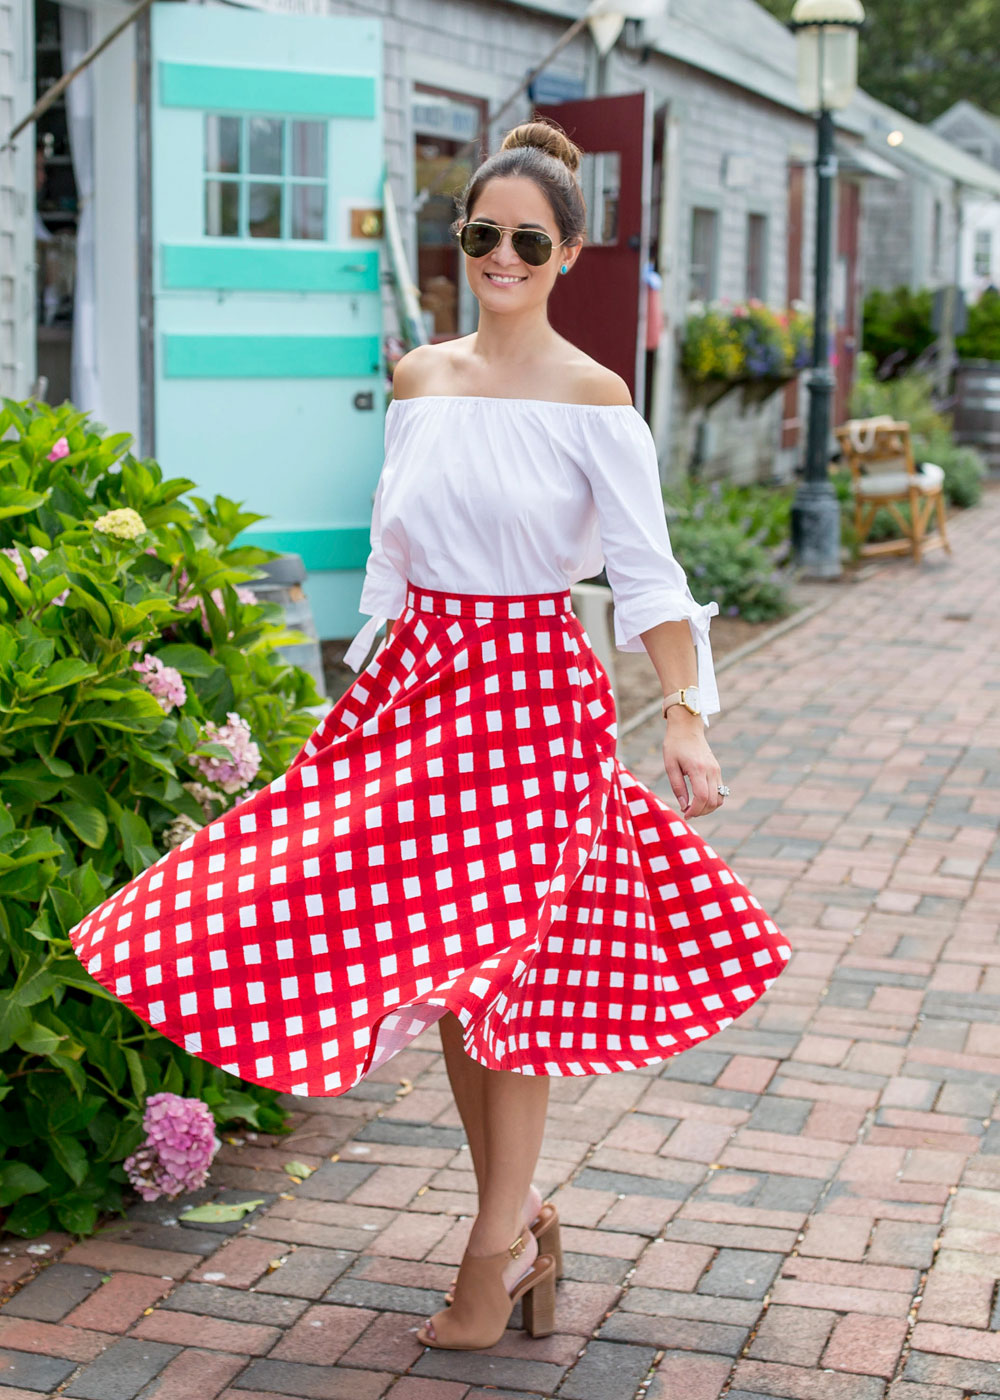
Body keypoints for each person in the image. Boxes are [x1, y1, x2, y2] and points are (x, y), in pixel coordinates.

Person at [69, 118, 790, 1355]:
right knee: (408, 957)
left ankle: (493, 1245)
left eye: (525, 239)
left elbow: (647, 578)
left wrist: (683, 714)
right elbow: (394, 558)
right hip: (417, 692)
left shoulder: (593, 397)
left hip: (533, 701)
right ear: (455, 244)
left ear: (566, 253)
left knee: (502, 981)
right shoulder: (419, 380)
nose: (498, 256)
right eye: (478, 235)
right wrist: (351, 703)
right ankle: (523, 1222)